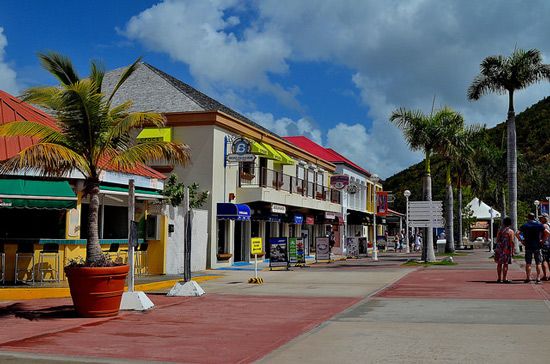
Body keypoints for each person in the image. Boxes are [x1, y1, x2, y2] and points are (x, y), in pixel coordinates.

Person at [516, 212, 545, 284]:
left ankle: (528, 278)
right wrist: (543, 240)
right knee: (538, 263)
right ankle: (538, 278)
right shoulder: (539, 225)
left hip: (528, 245)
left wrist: (521, 240)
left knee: (528, 263)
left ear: (528, 217)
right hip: (537, 246)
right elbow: (547, 232)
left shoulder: (525, 225)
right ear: (534, 217)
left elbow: (517, 233)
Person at [494, 217, 515, 283]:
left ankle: (499, 278)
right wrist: (512, 250)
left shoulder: (500, 230)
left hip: (499, 248)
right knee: (505, 264)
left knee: (499, 264)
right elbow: (511, 241)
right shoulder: (510, 231)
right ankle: (504, 278)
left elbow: (497, 240)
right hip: (506, 249)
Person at [539, 214, 550, 280]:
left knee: (544, 260)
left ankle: (545, 275)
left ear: (544, 218)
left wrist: (542, 240)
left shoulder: (543, 226)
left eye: (541, 218)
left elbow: (542, 235)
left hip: (545, 244)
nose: (540, 219)